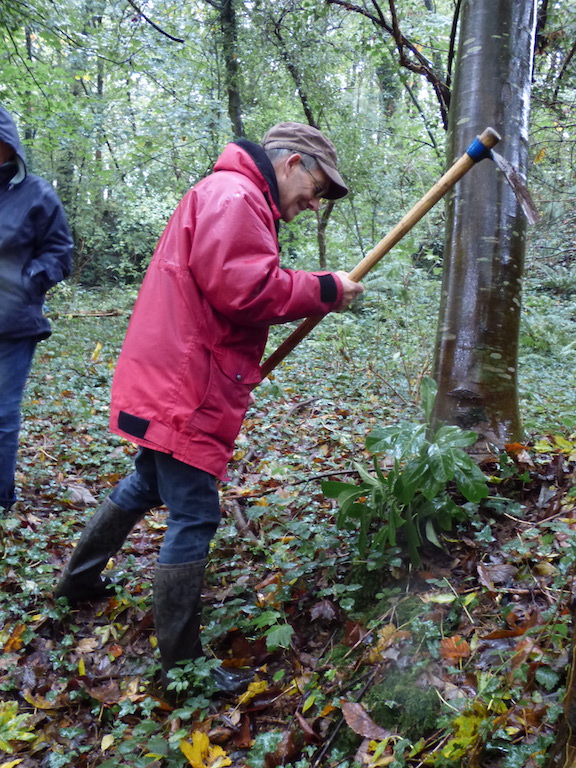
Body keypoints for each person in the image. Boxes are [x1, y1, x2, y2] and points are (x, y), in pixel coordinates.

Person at [55, 122, 364, 694]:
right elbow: (246, 290)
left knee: (145, 484)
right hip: (186, 386)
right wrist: (325, 289)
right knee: (194, 514)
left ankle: (76, 584)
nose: (312, 203)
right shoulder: (236, 196)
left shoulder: (231, 193)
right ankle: (182, 668)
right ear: (292, 162)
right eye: (316, 188)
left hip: (176, 376)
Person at [0, 106, 73, 512]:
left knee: (2, 415)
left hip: (13, 325)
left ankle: (1, 498)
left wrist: (27, 281)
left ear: (9, 145)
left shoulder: (37, 194)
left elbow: (61, 252)